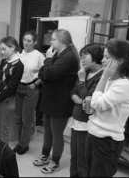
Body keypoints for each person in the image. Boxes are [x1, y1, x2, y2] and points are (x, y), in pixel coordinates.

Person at [86, 39, 129, 177]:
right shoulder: (111, 79)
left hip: (107, 140)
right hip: (94, 133)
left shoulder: (124, 84)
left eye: (107, 57)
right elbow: (95, 103)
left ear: (120, 61)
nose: (102, 60)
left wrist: (103, 78)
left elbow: (96, 104)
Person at [33, 29, 79, 174]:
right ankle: (45, 155)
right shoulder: (58, 54)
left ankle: (55, 162)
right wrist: (47, 66)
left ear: (62, 41)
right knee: (47, 129)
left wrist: (47, 60)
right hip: (51, 98)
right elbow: (44, 74)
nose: (50, 42)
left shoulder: (69, 56)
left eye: (53, 39)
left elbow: (49, 73)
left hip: (61, 101)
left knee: (57, 132)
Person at [68, 44, 104, 177]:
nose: (82, 59)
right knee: (74, 156)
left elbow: (88, 98)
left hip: (87, 122)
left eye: (85, 56)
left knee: (83, 159)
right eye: (81, 56)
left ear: (96, 57)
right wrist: (77, 99)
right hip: (77, 118)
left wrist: (82, 80)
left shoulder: (101, 77)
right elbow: (73, 92)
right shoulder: (85, 72)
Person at [0, 36, 24, 146]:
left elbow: (11, 89)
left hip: (5, 100)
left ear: (12, 48)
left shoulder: (18, 65)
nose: (1, 52)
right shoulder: (4, 61)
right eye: (0, 49)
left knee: (3, 132)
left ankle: (2, 157)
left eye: (4, 49)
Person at [13, 30, 45, 155]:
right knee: (17, 118)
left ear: (35, 42)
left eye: (29, 41)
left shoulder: (38, 56)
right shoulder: (19, 55)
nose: (26, 43)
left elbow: (46, 73)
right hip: (18, 88)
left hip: (30, 89)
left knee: (26, 119)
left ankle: (24, 144)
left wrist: (36, 84)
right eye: (24, 40)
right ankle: (20, 142)